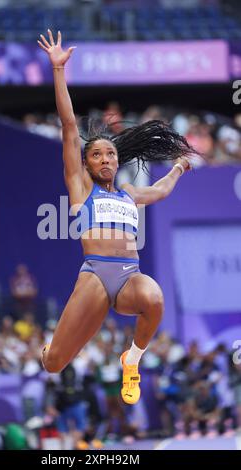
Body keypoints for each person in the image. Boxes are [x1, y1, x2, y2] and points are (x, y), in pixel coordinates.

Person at [38, 30, 194, 405]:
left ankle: (132, 359)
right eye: (96, 155)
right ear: (87, 164)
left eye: (110, 154)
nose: (105, 159)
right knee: (55, 364)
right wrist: (59, 71)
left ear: (117, 160)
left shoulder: (129, 194)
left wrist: (178, 169)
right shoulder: (81, 188)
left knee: (155, 299)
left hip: (128, 277)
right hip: (94, 275)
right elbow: (69, 127)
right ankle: (47, 349)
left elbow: (159, 192)